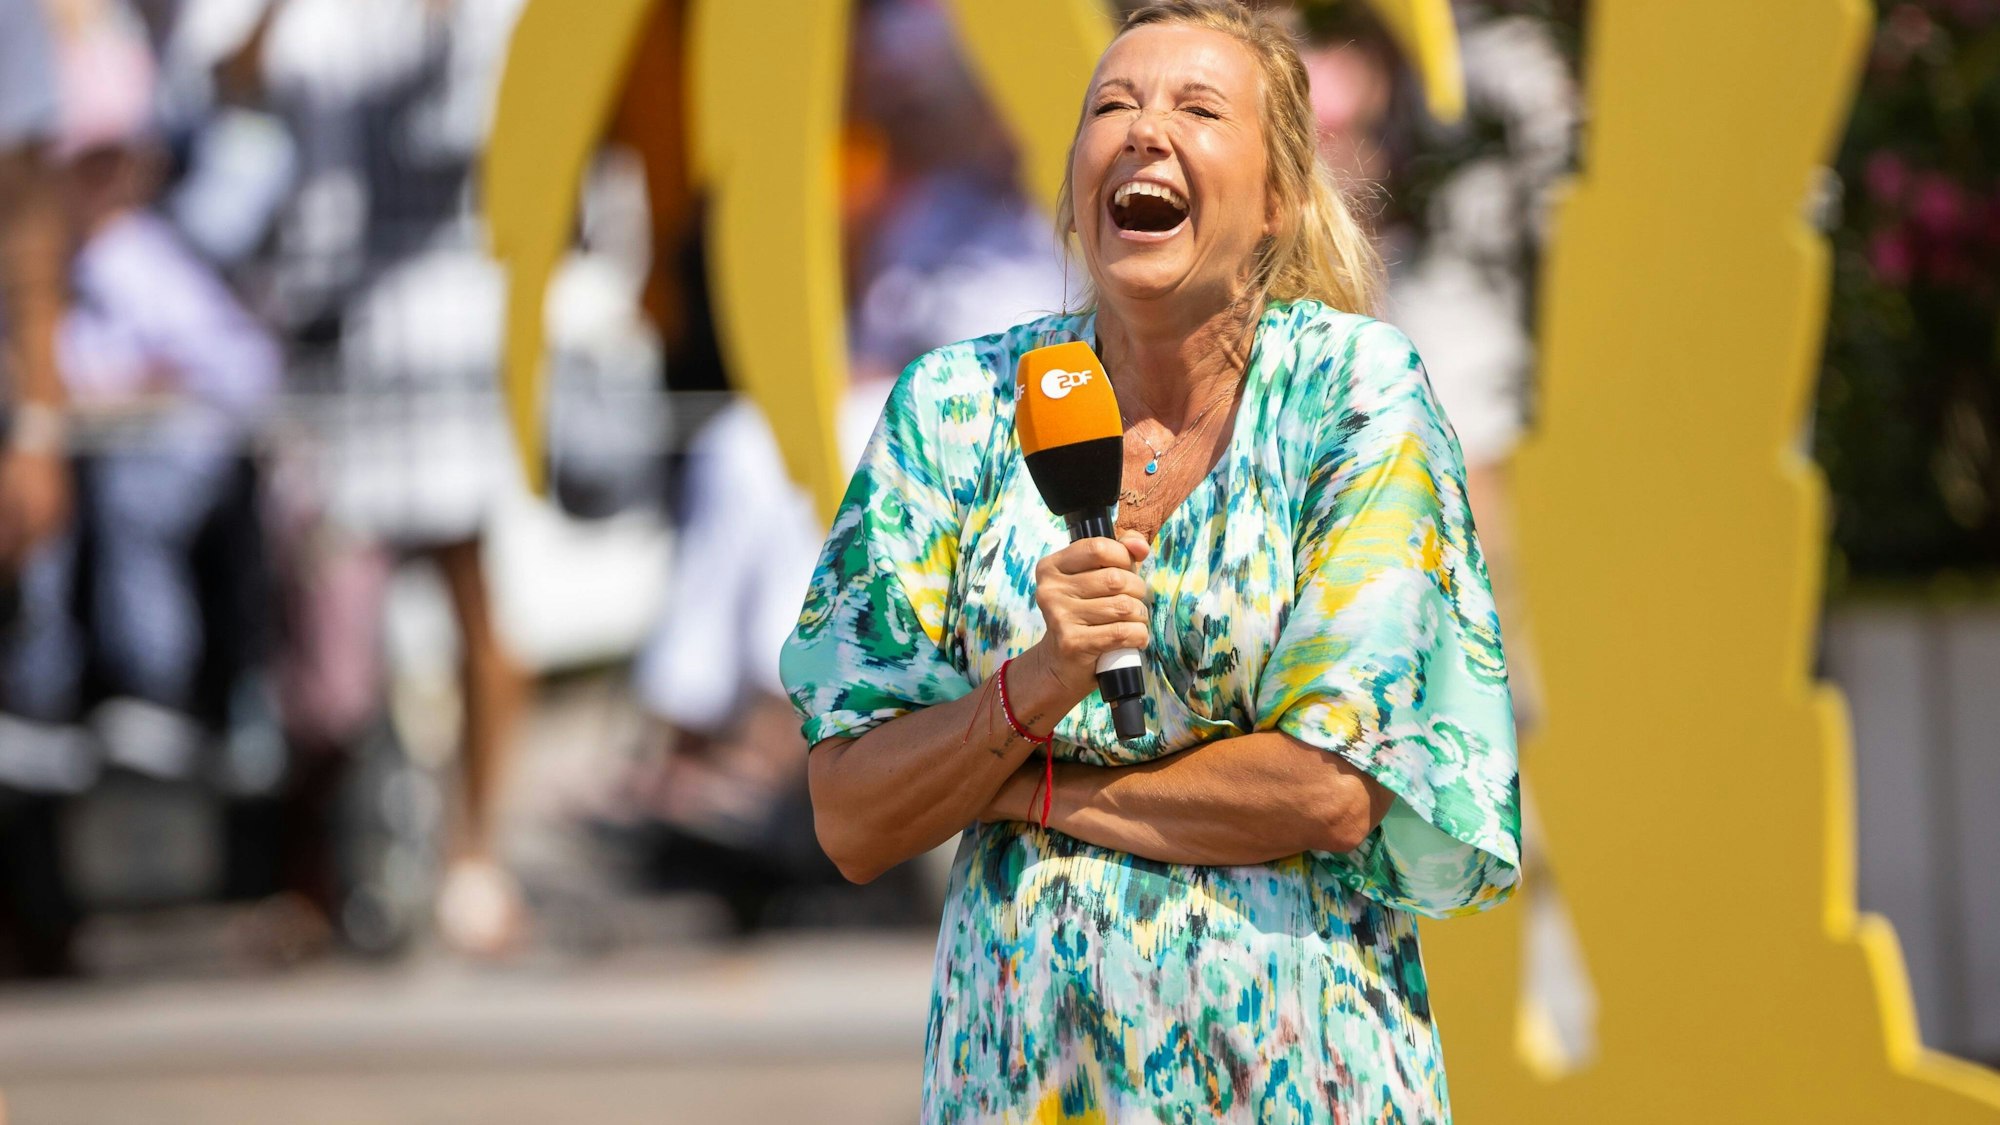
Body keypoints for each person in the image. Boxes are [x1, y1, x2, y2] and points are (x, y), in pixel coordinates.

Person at [780, 1, 1520, 1119]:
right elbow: (853, 812)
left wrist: (1021, 786)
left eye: (1195, 107)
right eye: (1110, 107)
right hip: (1021, 1081)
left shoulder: (1353, 399)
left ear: (1275, 197)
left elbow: (1325, 787)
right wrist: (1031, 690)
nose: (1141, 130)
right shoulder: (952, 409)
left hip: (1296, 1077)